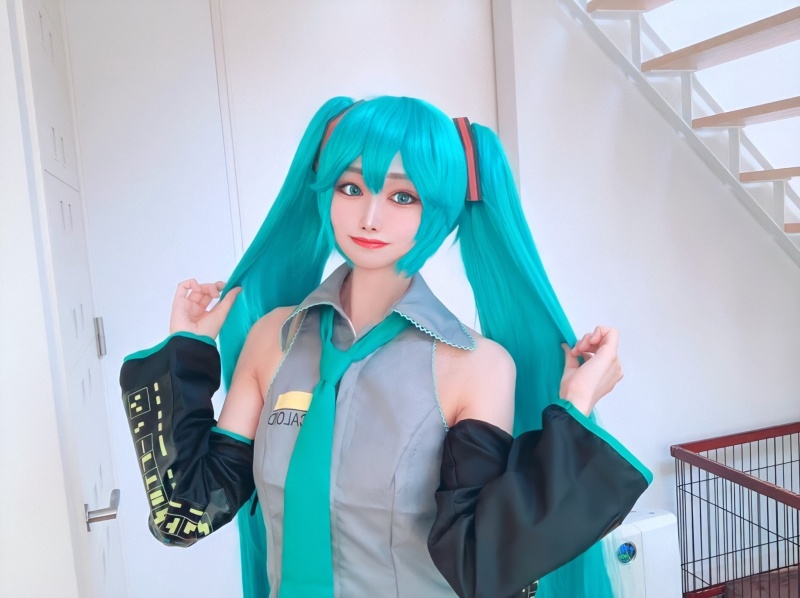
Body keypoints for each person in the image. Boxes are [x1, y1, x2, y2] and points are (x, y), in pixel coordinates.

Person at [120, 96, 651, 598]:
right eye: (351, 187)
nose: (369, 217)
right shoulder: (273, 340)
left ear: (440, 209)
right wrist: (187, 349)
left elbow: (483, 565)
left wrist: (576, 409)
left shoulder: (475, 367)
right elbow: (184, 514)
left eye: (402, 196)